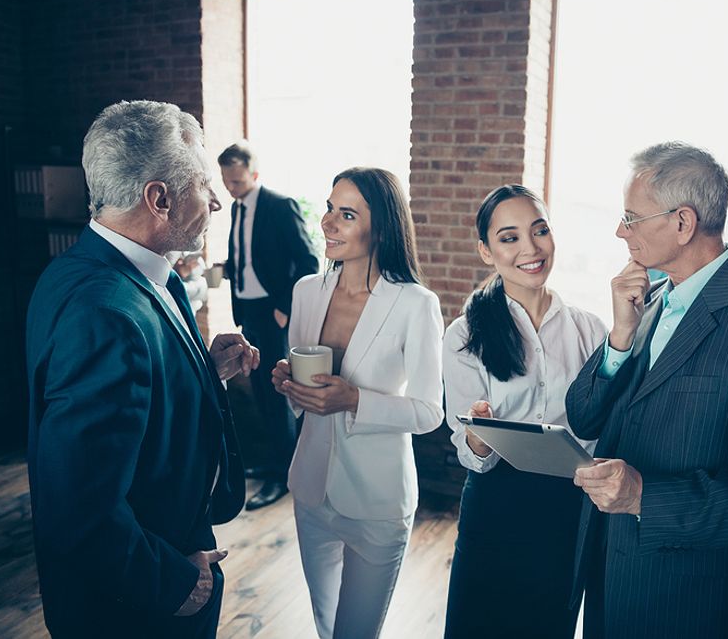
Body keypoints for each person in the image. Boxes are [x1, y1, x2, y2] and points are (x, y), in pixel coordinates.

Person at [565, 142, 728, 638]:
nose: (621, 231)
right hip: (606, 577)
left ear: (683, 223)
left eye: (631, 217)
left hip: (687, 603)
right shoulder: (647, 299)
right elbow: (583, 418)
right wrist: (619, 338)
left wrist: (643, 495)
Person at [25, 100, 260, 638]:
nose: (219, 201)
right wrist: (176, 585)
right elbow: (79, 507)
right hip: (138, 602)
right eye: (204, 184)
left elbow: (128, 399)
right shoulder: (102, 311)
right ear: (159, 198)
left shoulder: (109, 271)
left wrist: (202, 370)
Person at [270, 167, 443, 639]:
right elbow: (303, 396)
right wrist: (288, 384)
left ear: (382, 228)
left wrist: (354, 400)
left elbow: (430, 412)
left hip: (378, 501)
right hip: (310, 490)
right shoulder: (307, 291)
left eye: (346, 214)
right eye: (329, 208)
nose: (327, 222)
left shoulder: (415, 304)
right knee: (328, 628)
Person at [442, 185, 607, 639]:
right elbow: (469, 452)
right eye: (509, 238)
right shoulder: (464, 335)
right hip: (495, 504)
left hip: (567, 505)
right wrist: (476, 437)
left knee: (547, 625)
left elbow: (601, 426)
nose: (530, 249)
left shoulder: (590, 329)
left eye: (540, 231)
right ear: (486, 251)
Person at [218, 141, 320, 510]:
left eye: (237, 181)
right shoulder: (236, 207)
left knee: (279, 394)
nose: (231, 188)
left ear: (254, 174)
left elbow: (308, 260)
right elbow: (250, 254)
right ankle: (275, 461)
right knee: (260, 387)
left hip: (274, 312)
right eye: (227, 182)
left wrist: (284, 307)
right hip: (247, 310)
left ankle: (284, 475)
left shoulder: (280, 205)